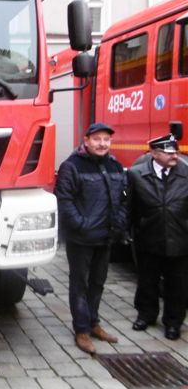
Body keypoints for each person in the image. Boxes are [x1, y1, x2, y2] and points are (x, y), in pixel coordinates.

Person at [54, 122, 128, 354]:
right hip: (81, 239)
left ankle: (94, 323)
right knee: (80, 284)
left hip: (106, 237)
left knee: (98, 283)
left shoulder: (115, 165)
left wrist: (119, 223)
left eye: (106, 139)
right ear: (86, 141)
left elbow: (124, 199)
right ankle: (82, 330)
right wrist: (81, 225)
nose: (102, 144)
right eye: (97, 139)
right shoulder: (72, 166)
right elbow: (64, 200)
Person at [127, 133, 188, 341]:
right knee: (147, 281)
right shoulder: (136, 174)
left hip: (180, 238)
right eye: (168, 152)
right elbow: (128, 204)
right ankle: (146, 315)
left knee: (177, 285)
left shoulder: (186, 173)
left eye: (175, 151)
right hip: (148, 237)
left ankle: (173, 322)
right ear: (154, 153)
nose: (174, 155)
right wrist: (125, 231)